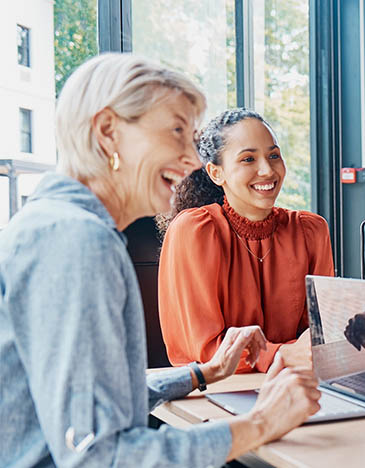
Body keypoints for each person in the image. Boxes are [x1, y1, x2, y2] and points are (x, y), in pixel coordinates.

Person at [0, 54, 322, 467]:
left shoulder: (57, 224)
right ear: (108, 132)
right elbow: (99, 457)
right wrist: (262, 423)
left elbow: (88, 403)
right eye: (175, 131)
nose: (191, 160)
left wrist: (204, 373)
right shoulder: (78, 240)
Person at [157, 108, 335, 373]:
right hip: (214, 391)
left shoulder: (310, 230)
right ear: (217, 173)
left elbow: (322, 333)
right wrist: (283, 354)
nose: (267, 170)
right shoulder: (195, 230)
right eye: (248, 159)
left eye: (274, 155)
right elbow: (206, 351)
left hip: (294, 382)